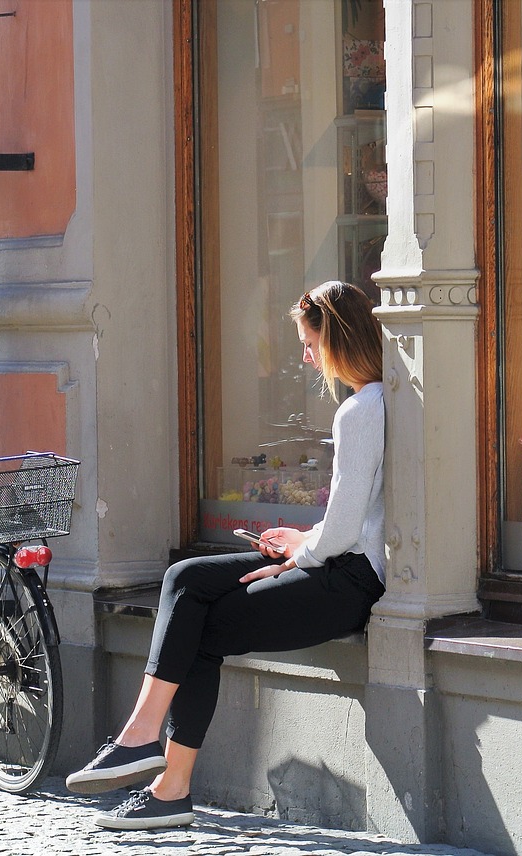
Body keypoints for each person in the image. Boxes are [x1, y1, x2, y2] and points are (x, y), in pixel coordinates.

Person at [66, 280, 388, 830]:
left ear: (337, 340)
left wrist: (302, 552)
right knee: (186, 575)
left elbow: (341, 537)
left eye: (311, 344)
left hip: (348, 580)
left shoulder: (360, 411)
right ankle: (143, 743)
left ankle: (166, 780)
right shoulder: (379, 402)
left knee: (202, 624)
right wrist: (302, 543)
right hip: (338, 560)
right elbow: (354, 517)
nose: (306, 356)